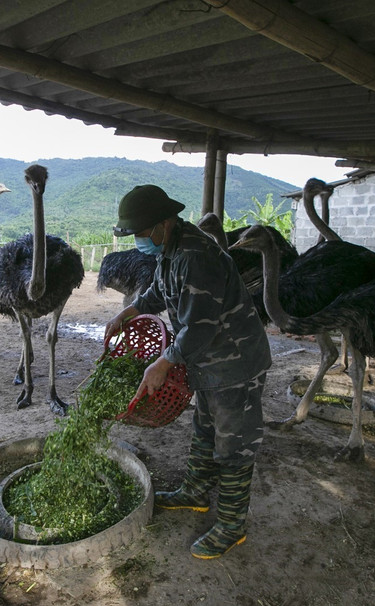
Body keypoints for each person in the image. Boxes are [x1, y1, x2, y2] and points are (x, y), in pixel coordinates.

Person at [104, 184, 272, 559]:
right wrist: (129, 311)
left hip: (234, 362)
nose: (139, 240)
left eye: (142, 232)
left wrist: (163, 363)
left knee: (234, 444)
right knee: (205, 427)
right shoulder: (171, 248)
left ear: (163, 223)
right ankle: (195, 492)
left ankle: (231, 526)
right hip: (207, 363)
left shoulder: (197, 257)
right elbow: (160, 291)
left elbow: (198, 328)